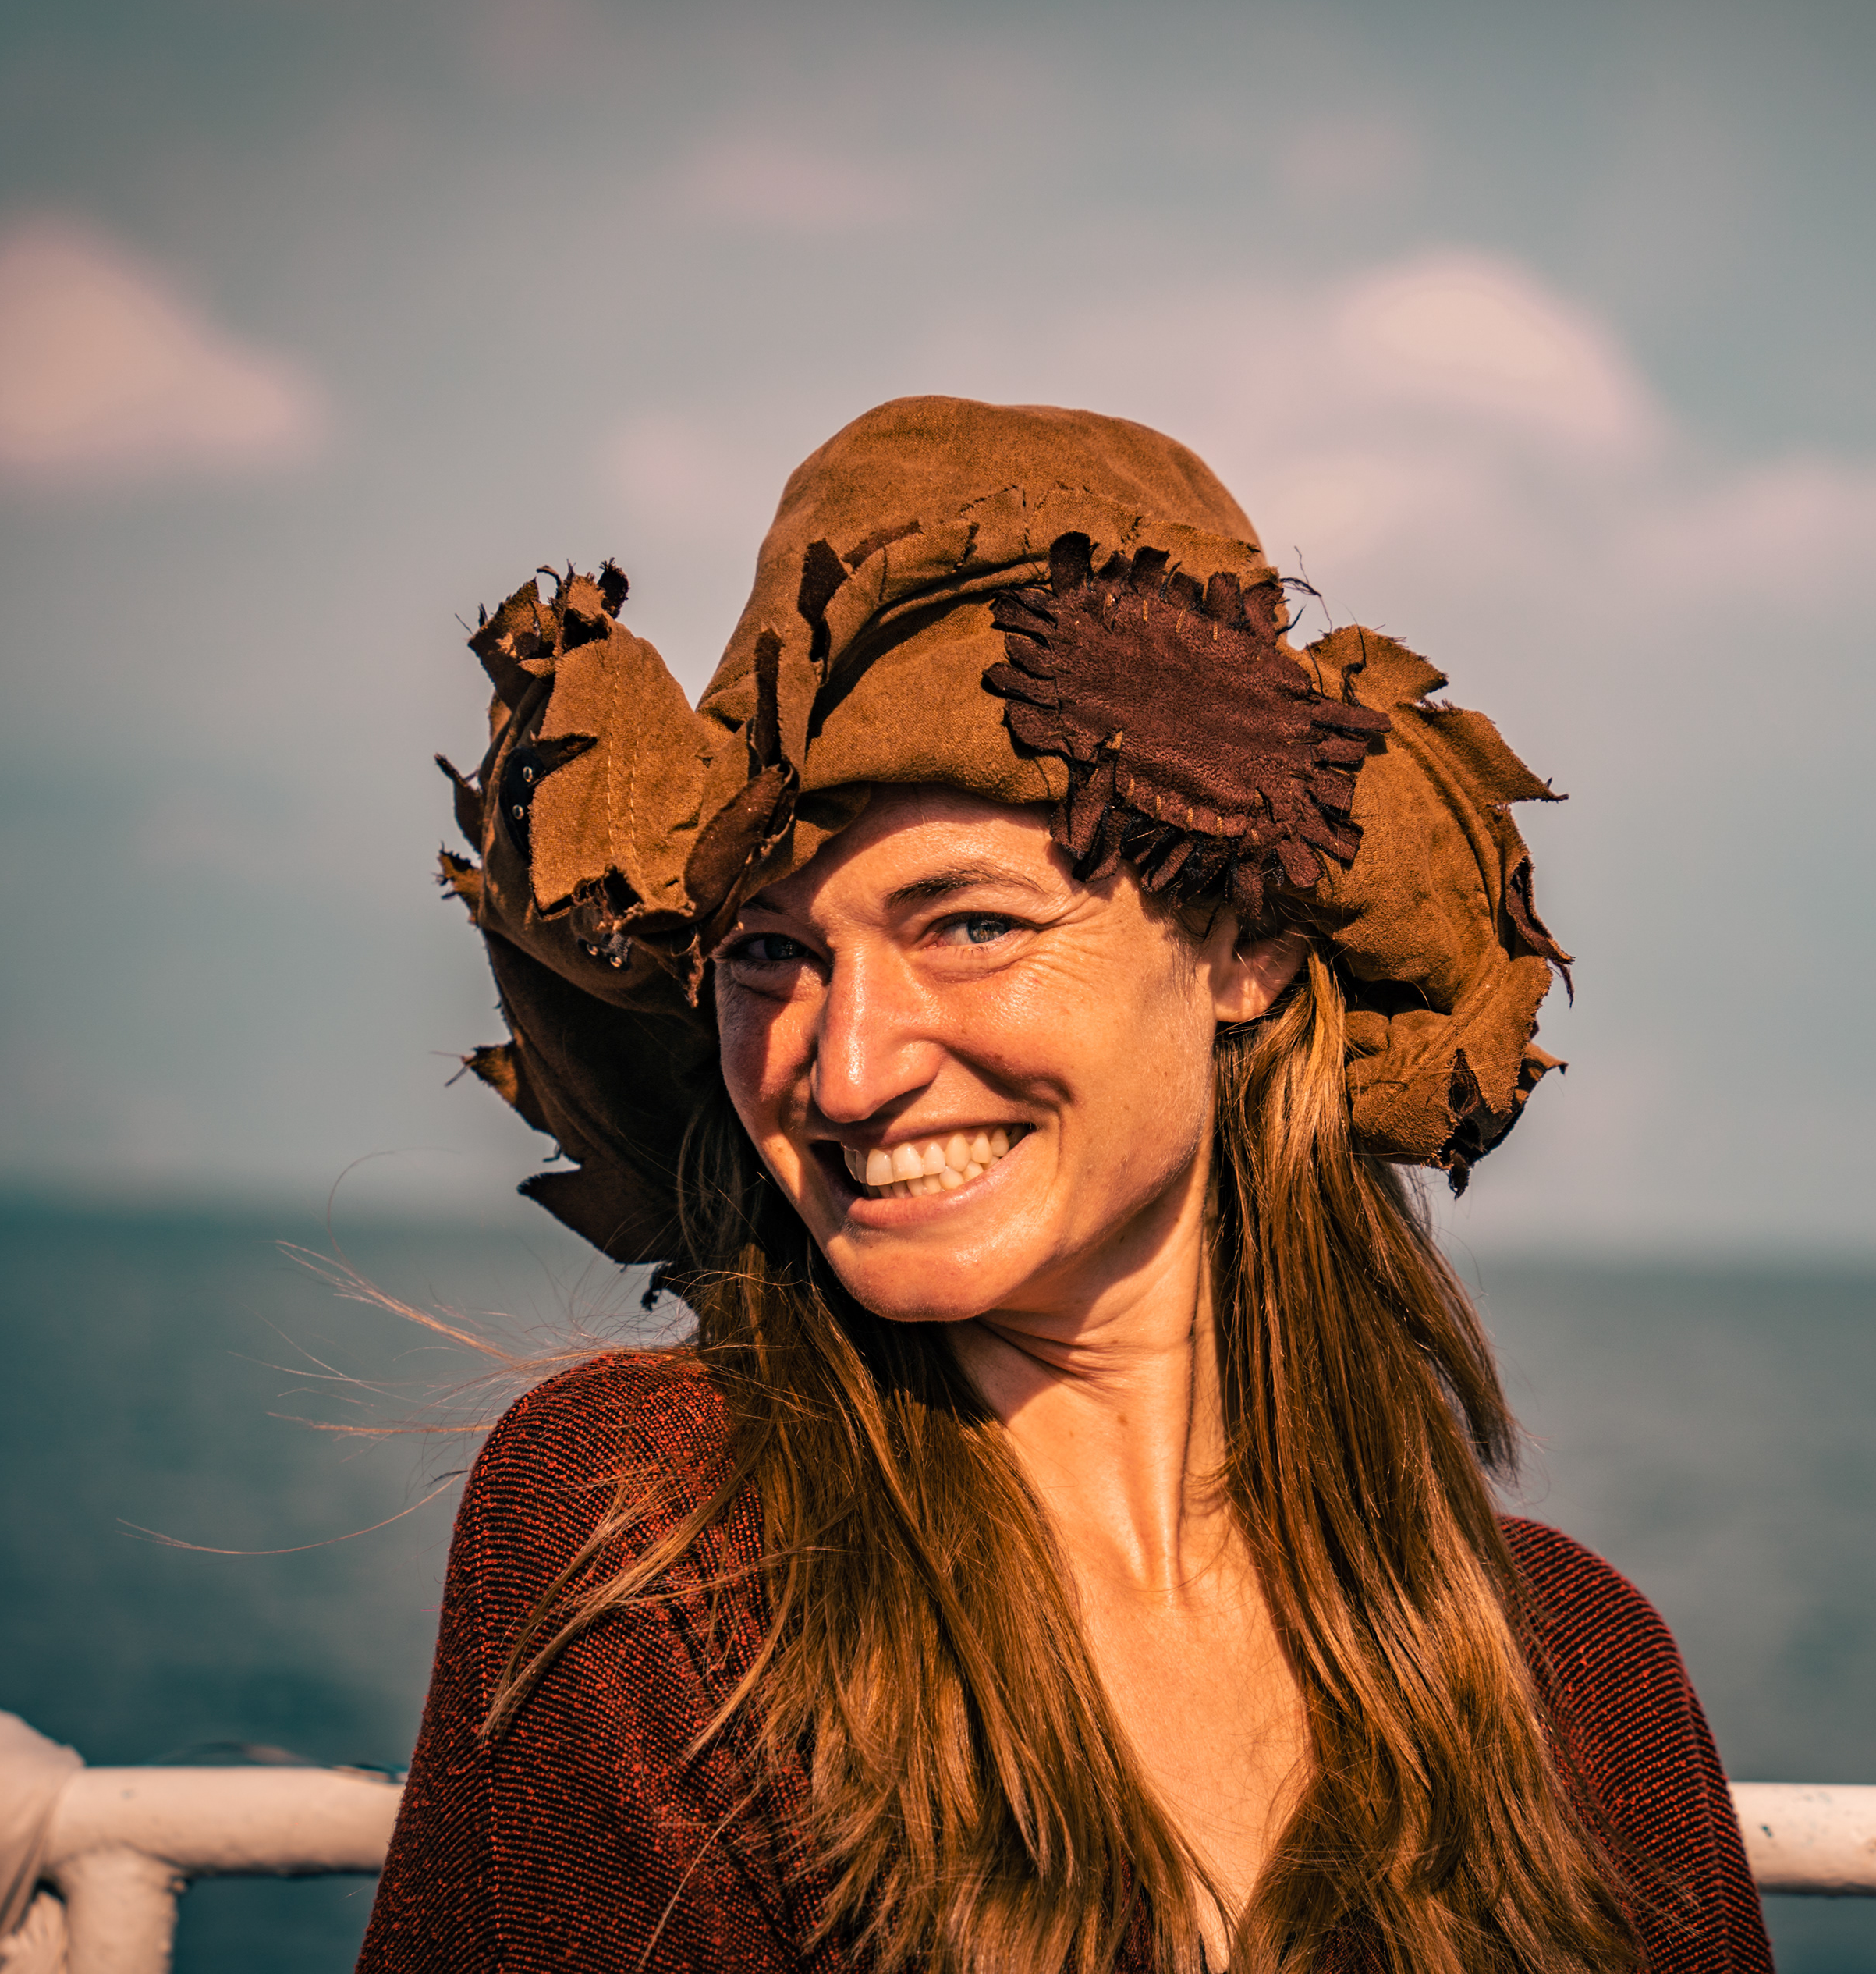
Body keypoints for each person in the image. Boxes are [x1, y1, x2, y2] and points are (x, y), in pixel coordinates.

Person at [357, 397, 1772, 1974]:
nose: (842, 1070)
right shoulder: (664, 1531)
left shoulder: (1585, 1673)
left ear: (1242, 949)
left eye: (967, 923)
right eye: (771, 951)